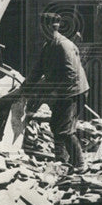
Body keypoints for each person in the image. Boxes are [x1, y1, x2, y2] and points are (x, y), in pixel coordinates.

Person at [24, 12, 90, 173]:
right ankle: (61, 159)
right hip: (64, 91)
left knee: (65, 130)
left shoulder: (63, 45)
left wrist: (54, 92)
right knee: (56, 125)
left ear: (47, 27)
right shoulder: (49, 45)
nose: (40, 30)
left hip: (73, 92)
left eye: (42, 27)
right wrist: (24, 87)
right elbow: (37, 69)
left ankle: (80, 164)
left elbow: (71, 74)